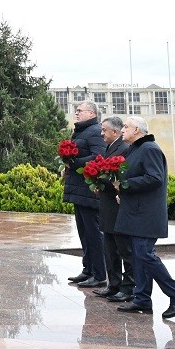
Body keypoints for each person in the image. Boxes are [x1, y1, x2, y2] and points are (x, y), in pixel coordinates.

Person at [114, 116, 175, 319]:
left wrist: (126, 185)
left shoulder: (150, 149)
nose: (122, 130)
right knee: (139, 255)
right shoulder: (135, 149)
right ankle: (142, 299)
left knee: (145, 255)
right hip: (137, 212)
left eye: (126, 126)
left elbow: (155, 178)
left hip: (146, 214)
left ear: (138, 130)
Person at [64, 100, 107, 288]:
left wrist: (73, 163)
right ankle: (88, 269)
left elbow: (99, 157)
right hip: (78, 188)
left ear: (91, 113)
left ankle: (99, 274)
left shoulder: (96, 131)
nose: (76, 113)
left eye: (80, 110)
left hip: (89, 190)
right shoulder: (80, 131)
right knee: (83, 232)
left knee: (93, 233)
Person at [93, 115, 134, 302]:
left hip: (117, 207)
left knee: (122, 249)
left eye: (104, 130)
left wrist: (103, 182)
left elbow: (122, 177)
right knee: (109, 248)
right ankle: (113, 284)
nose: (101, 134)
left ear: (115, 132)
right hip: (107, 205)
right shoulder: (110, 147)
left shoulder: (123, 149)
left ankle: (127, 288)